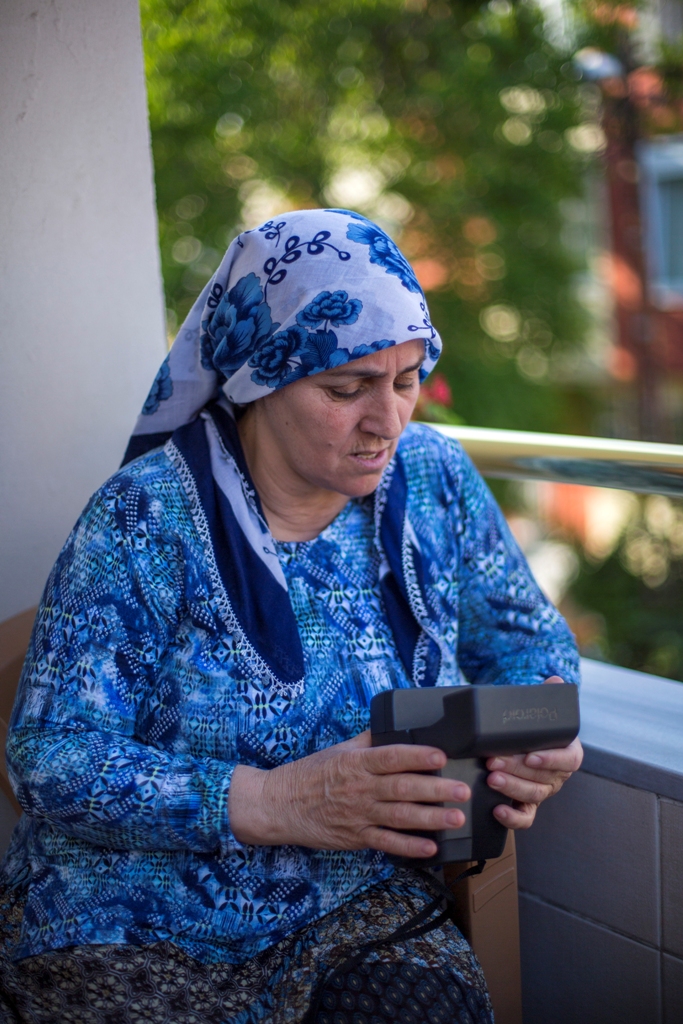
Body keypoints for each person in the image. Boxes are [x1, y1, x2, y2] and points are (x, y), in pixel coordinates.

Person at [0, 209, 582, 1024]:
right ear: (258, 378)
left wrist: (529, 735)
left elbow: (530, 646)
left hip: (358, 909)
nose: (387, 421)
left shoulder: (435, 477)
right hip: (132, 921)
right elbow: (49, 759)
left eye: (407, 378)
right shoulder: (144, 518)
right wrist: (276, 801)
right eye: (345, 389)